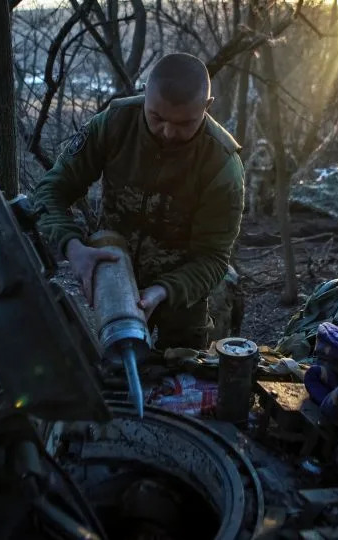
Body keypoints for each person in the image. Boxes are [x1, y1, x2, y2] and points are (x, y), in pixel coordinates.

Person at [32, 52, 245, 351]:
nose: (169, 133)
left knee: (179, 384)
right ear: (144, 93)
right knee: (111, 376)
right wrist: (72, 246)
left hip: (183, 296)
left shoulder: (221, 165)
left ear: (207, 107)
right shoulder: (115, 124)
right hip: (111, 280)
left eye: (185, 123)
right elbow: (51, 190)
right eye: (157, 118)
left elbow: (213, 259)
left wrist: (161, 291)